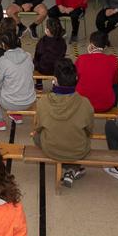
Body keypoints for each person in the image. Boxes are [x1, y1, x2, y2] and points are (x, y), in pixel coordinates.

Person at [33, 59, 94, 188]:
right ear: (76, 79)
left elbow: (38, 127)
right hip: (78, 151)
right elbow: (89, 130)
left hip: (51, 150)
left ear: (54, 80)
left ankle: (70, 168)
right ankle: (72, 168)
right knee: (81, 137)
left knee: (36, 136)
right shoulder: (85, 103)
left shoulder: (43, 102)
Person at [0, 31, 36, 131]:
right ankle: (15, 114)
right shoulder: (28, 56)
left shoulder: (2, 60)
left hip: (10, 102)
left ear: (3, 45)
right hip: (29, 100)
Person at [75, 31, 118, 112]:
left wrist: (89, 55)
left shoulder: (81, 59)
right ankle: (114, 110)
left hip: (82, 104)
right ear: (105, 47)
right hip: (106, 105)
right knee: (115, 85)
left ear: (90, 45)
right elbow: (114, 83)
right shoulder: (113, 60)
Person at [33, 17, 67, 82]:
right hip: (57, 68)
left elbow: (37, 56)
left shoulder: (42, 41)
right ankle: (54, 83)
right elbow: (63, 55)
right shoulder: (62, 41)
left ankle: (39, 84)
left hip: (43, 69)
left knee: (36, 61)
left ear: (47, 31)